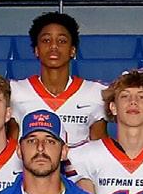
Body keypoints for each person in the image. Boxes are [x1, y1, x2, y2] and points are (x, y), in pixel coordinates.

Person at [13, 12, 108, 145]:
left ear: (73, 50)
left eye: (62, 41)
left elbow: (100, 149)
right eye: (46, 40)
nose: (54, 46)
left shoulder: (95, 93)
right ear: (36, 50)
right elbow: (11, 146)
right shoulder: (15, 92)